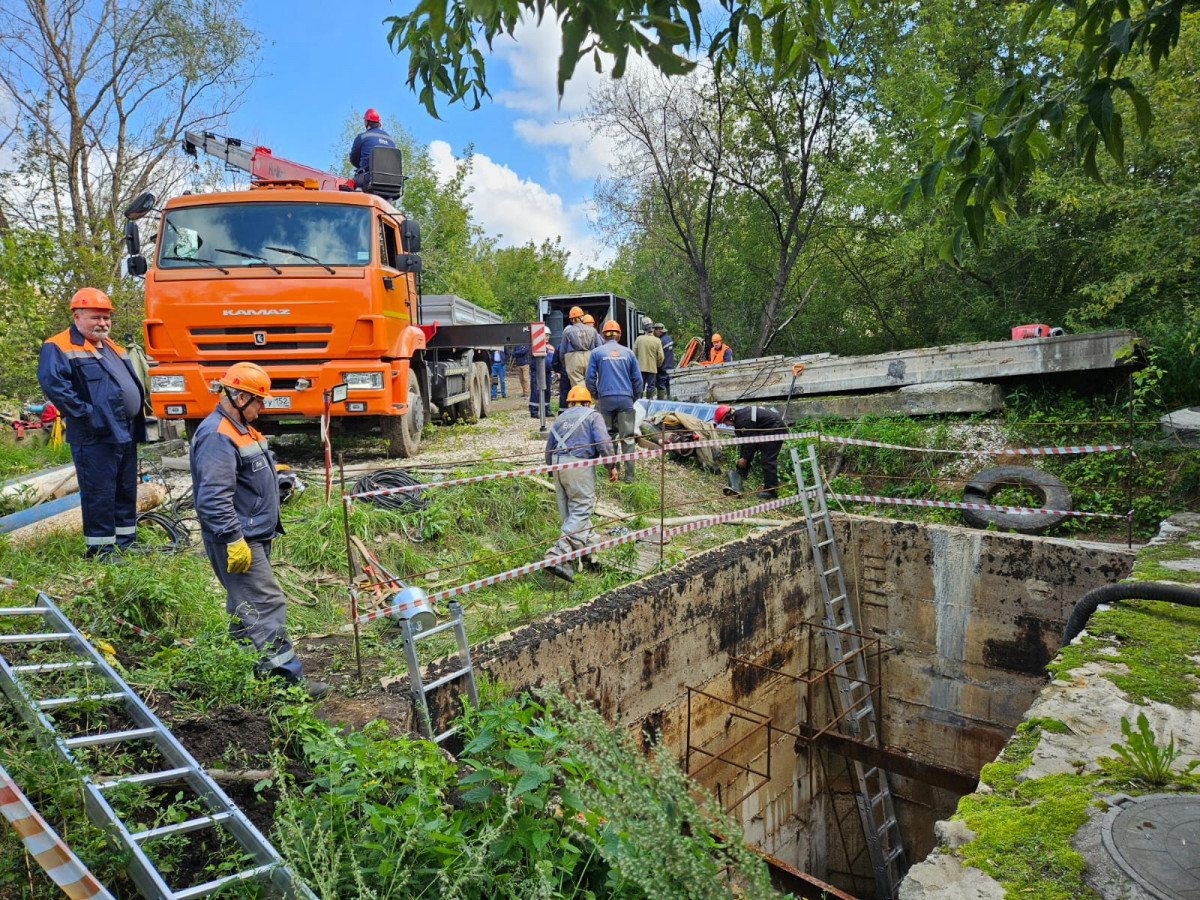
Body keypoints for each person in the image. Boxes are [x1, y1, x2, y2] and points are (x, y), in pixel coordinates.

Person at [191, 362, 327, 698]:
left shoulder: (240, 428)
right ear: (238, 396)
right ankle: (288, 683)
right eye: (259, 401)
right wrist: (234, 539)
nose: (263, 407)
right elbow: (213, 498)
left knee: (245, 608)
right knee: (266, 603)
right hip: (239, 539)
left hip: (253, 534)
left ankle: (248, 672)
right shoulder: (217, 436)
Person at [37, 288, 146, 562]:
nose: (103, 323)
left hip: (124, 429)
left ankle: (125, 542)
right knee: (99, 493)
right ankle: (101, 551)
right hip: (94, 435)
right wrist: (87, 414)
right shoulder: (59, 345)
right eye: (96, 317)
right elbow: (54, 385)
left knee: (124, 489)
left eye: (107, 318)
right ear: (77, 316)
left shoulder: (112, 347)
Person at [543, 386, 617, 583]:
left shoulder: (560, 419)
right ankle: (558, 554)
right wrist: (611, 465)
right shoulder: (593, 415)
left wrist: (553, 471)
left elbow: (549, 449)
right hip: (578, 464)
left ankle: (590, 552)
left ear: (569, 403)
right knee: (582, 508)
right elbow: (603, 442)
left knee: (571, 512)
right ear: (587, 402)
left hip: (558, 465)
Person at [585, 320, 643, 483]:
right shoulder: (629, 353)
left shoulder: (596, 353)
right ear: (619, 335)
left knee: (608, 437)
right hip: (625, 400)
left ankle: (613, 471)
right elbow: (638, 380)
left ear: (603, 335)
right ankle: (630, 478)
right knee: (628, 439)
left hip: (606, 400)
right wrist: (633, 398)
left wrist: (596, 395)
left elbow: (589, 378)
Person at [713, 404, 788, 499]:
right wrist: (743, 459)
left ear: (729, 417)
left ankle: (771, 490)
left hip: (775, 430)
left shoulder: (743, 421)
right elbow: (744, 443)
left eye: (724, 422)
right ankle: (742, 473)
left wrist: (744, 458)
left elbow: (750, 443)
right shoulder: (740, 418)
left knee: (767, 459)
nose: (726, 425)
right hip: (765, 430)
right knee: (746, 450)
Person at [349, 108, 396, 190]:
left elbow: (353, 159)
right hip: (391, 182)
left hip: (368, 180)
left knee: (347, 188)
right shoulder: (391, 140)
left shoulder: (362, 137)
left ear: (366, 122)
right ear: (379, 124)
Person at [558, 306, 601, 388]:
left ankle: (581, 400)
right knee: (592, 383)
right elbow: (599, 347)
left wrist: (565, 365)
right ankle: (591, 399)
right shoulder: (592, 330)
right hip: (590, 357)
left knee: (578, 387)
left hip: (573, 359)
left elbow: (562, 352)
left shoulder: (567, 331)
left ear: (571, 319)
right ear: (582, 317)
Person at [634, 321, 665, 399]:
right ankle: (649, 402)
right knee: (651, 387)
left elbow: (634, 354)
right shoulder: (657, 341)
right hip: (652, 368)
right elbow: (661, 356)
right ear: (653, 330)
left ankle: (639, 403)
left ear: (644, 330)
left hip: (640, 368)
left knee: (640, 386)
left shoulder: (639, 339)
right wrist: (657, 365)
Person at [530, 345, 554, 418]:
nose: (547, 337)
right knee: (535, 391)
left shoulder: (551, 347)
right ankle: (534, 411)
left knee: (547, 392)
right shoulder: (535, 344)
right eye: (546, 335)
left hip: (547, 372)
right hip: (537, 371)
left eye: (548, 335)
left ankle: (547, 410)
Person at [654, 323, 675, 400]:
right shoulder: (669, 339)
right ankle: (670, 399)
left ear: (659, 331)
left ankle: (660, 401)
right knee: (669, 384)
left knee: (661, 385)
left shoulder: (660, 341)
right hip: (670, 366)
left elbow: (659, 356)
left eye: (656, 330)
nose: (655, 332)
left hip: (662, 368)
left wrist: (657, 366)